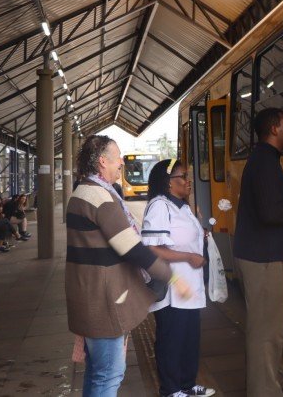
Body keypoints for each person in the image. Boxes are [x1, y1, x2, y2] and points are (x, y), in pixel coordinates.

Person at [65, 135, 193, 396]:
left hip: (86, 294)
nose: (121, 162)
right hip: (103, 301)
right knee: (109, 374)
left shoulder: (81, 192)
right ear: (102, 161)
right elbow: (132, 247)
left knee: (97, 372)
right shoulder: (101, 197)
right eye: (117, 157)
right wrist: (171, 276)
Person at [234, 108, 283, 397]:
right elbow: (270, 213)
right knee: (267, 334)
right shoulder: (264, 162)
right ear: (274, 129)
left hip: (263, 256)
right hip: (263, 259)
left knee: (268, 332)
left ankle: (264, 387)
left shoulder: (265, 160)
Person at [141, 158, 215, 397]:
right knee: (171, 340)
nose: (188, 181)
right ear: (168, 182)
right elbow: (151, 249)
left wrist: (200, 236)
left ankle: (187, 384)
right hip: (174, 288)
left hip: (190, 288)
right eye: (182, 177)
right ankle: (170, 389)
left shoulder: (182, 206)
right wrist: (188, 256)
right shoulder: (160, 206)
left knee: (189, 339)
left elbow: (184, 236)